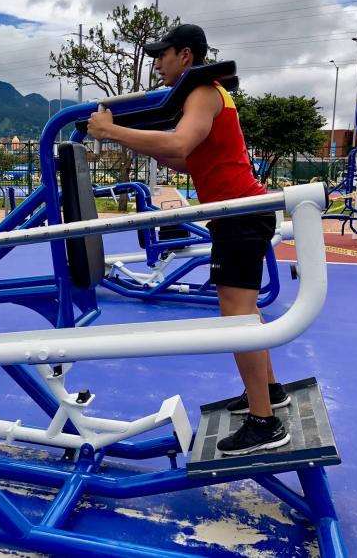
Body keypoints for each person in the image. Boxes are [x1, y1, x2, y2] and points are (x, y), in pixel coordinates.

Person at [87, 24, 291, 456]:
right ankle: (269, 394)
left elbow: (179, 141)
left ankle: (265, 423)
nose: (157, 62)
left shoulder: (202, 90)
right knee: (245, 311)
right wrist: (136, 141)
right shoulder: (208, 96)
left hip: (239, 213)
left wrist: (110, 132)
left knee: (235, 316)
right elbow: (183, 157)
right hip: (239, 213)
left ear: (185, 55)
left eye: (163, 54)